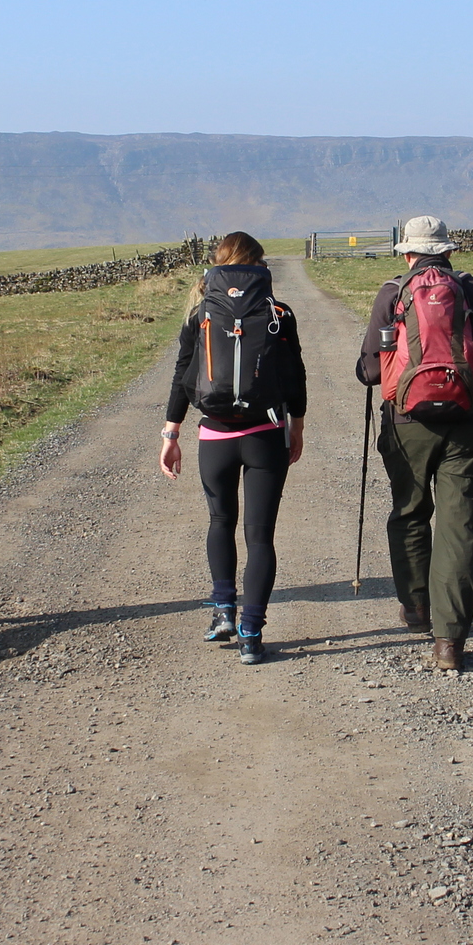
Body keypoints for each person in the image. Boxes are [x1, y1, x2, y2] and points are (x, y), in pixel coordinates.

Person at [354, 215, 473, 671]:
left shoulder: (392, 293)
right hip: (471, 425)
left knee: (410, 512)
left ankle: (416, 609)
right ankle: (449, 642)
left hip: (407, 423)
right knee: (459, 525)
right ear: (449, 251)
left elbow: (371, 372)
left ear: (407, 253)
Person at [158, 232, 307, 665]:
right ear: (259, 265)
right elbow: (296, 376)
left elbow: (183, 375)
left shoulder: (200, 312)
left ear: (218, 264)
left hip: (214, 437)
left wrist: (171, 435)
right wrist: (296, 426)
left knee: (220, 520)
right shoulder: (279, 314)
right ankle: (251, 633)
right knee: (260, 537)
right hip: (265, 435)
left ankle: (223, 610)